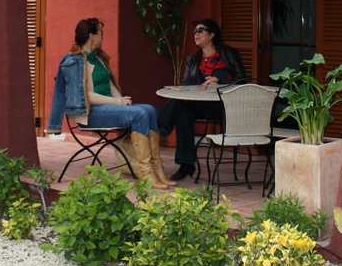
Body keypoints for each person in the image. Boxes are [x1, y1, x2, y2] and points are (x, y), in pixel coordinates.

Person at [47, 17, 173, 189]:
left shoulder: (97, 58)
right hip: (89, 113)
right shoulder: (74, 61)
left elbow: (110, 85)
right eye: (101, 34)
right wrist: (117, 102)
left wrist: (121, 102)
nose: (102, 37)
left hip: (107, 108)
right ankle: (146, 172)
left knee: (149, 109)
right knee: (139, 114)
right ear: (91, 36)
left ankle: (157, 168)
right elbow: (85, 96)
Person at [156, 18, 247, 181]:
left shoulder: (229, 54)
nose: (196, 34)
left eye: (200, 30)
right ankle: (186, 165)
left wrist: (220, 82)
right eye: (194, 31)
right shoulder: (193, 59)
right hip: (200, 105)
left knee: (184, 106)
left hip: (222, 105)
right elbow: (186, 84)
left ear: (212, 35)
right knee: (184, 111)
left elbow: (242, 80)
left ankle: (158, 126)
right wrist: (200, 85)